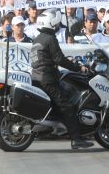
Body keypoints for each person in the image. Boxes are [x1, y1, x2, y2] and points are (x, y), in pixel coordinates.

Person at [31, 8, 93, 149]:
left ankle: (60, 129)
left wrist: (66, 61)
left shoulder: (38, 39)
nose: (58, 25)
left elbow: (50, 58)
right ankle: (76, 139)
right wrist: (78, 68)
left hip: (38, 78)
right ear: (51, 23)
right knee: (67, 106)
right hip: (48, 79)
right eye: (56, 22)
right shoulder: (50, 38)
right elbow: (59, 59)